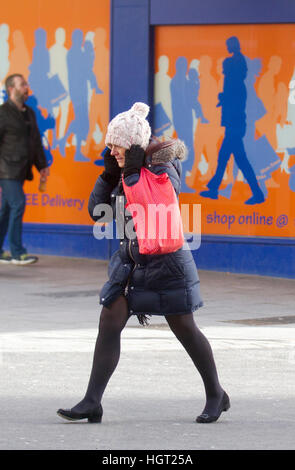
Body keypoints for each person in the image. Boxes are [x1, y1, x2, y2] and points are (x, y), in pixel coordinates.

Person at [57, 102, 230, 424]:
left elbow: (156, 208)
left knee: (185, 329)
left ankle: (216, 394)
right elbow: (98, 213)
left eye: (117, 144)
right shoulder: (124, 171)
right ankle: (92, 401)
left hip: (167, 263)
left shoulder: (163, 169)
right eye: (109, 144)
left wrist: (134, 174)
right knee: (109, 322)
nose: (112, 150)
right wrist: (109, 176)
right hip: (131, 263)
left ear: (134, 144)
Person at [0, 74, 49, 265]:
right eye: (22, 85)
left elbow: (35, 142)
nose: (26, 87)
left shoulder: (29, 113)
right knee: (18, 203)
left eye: (26, 84)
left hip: (21, 169)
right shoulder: (3, 113)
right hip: (5, 169)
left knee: (6, 209)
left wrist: (42, 166)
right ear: (11, 89)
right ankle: (17, 252)